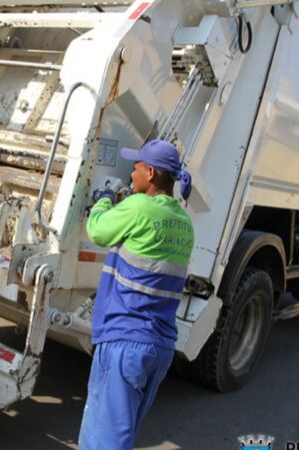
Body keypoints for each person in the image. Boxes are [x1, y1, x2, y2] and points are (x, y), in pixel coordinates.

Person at [78, 139, 194, 450]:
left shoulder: (139, 207)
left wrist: (103, 199)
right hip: (159, 346)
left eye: (137, 167)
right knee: (122, 436)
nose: (132, 172)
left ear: (151, 173)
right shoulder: (184, 223)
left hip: (124, 340)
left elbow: (98, 230)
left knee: (102, 440)